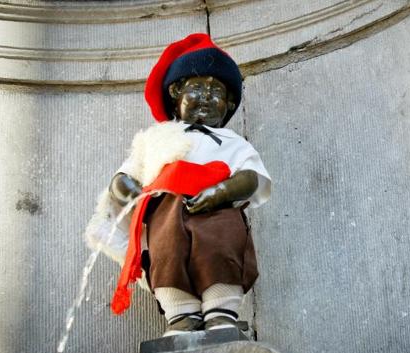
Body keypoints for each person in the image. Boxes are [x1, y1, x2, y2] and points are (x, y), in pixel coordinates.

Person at [85, 33, 271, 336]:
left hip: (218, 212)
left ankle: (221, 311)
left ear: (229, 104)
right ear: (175, 93)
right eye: (197, 87)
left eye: (216, 92)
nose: (207, 97)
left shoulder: (232, 142)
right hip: (166, 214)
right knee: (166, 255)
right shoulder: (156, 139)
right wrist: (134, 194)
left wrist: (222, 191)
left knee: (221, 250)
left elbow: (250, 177)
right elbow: (123, 179)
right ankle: (180, 314)